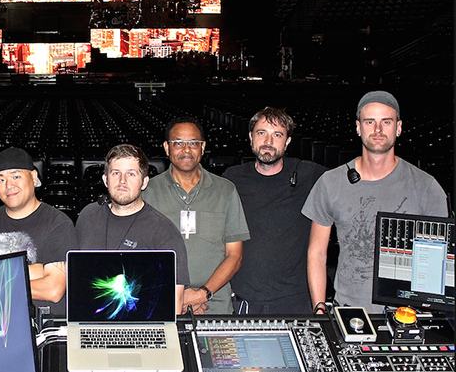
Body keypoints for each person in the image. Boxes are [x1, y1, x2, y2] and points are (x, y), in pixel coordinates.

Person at [303, 91, 448, 314]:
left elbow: (438, 261)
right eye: (370, 121)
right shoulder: (331, 183)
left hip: (408, 315)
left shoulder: (427, 187)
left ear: (398, 128)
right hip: (349, 311)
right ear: (358, 127)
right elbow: (317, 253)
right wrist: (320, 307)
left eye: (386, 122)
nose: (378, 130)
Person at [224, 107, 327, 314]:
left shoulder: (309, 174)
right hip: (245, 300)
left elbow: (351, 180)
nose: (268, 142)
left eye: (277, 135)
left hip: (295, 301)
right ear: (251, 137)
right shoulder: (232, 179)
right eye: (262, 133)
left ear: (287, 141)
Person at [142, 116, 249, 315]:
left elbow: (235, 255)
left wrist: (202, 294)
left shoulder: (226, 191)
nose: (186, 150)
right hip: (161, 303)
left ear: (202, 147)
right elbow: (139, 255)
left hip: (214, 305)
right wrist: (176, 297)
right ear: (167, 147)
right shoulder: (148, 193)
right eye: (178, 143)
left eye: (193, 143)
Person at [76, 144, 191, 314]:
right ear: (105, 179)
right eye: (116, 173)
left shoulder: (164, 232)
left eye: (131, 174)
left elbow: (173, 306)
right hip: (88, 321)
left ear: (144, 182)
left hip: (142, 328)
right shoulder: (87, 216)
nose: (122, 181)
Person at [0, 147, 77, 316]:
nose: (9, 186)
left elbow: (53, 290)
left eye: (16, 176)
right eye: (1, 180)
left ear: (33, 177)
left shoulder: (58, 222)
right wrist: (35, 270)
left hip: (43, 329)